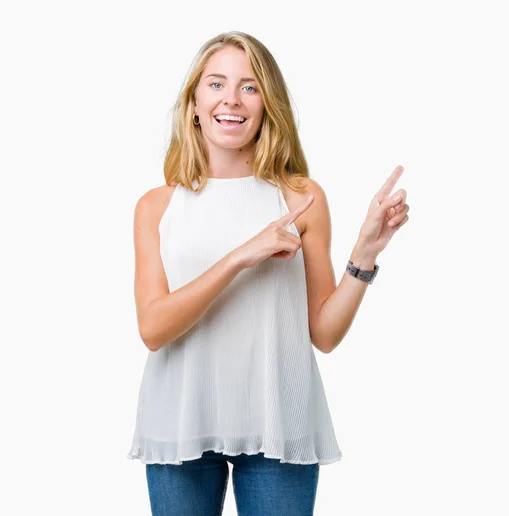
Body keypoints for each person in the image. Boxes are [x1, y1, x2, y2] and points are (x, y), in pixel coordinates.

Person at [126, 30, 410, 516]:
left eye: (250, 87)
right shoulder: (157, 206)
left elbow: (323, 334)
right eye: (216, 84)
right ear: (194, 102)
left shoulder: (302, 198)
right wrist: (240, 256)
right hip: (180, 421)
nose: (231, 100)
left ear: (266, 104)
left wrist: (364, 254)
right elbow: (153, 329)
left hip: (280, 420)